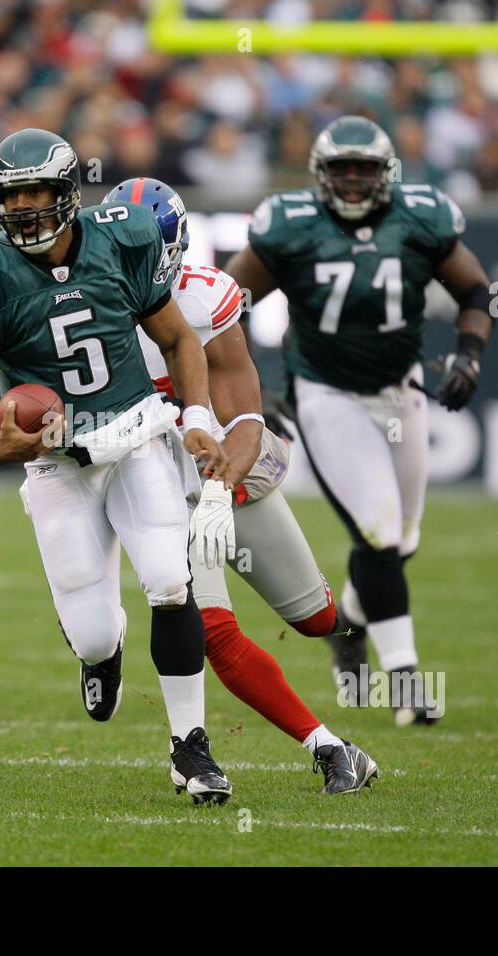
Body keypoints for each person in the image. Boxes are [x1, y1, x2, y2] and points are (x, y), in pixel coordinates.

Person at [0, 129, 233, 803]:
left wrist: (197, 419)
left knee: (168, 579)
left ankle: (191, 747)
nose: (25, 209)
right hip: (57, 463)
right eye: (12, 197)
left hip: (134, 435)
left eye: (38, 192)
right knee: (93, 633)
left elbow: (178, 338)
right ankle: (106, 653)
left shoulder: (124, 235)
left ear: (69, 192)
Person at [107, 176, 378, 793]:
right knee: (213, 632)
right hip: (154, 484)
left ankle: (351, 626)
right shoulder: (84, 303)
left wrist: (218, 493)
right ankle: (333, 749)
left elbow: (246, 419)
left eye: (138, 246)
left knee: (314, 618)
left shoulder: (205, 299)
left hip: (223, 470)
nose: (125, 259)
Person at [225, 115, 495, 727]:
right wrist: (249, 392)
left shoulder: (422, 217)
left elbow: (477, 291)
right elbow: (227, 304)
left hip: (401, 391)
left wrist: (472, 358)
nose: (351, 181)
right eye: (340, 169)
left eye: (364, 169)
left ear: (387, 174)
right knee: (377, 534)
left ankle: (347, 623)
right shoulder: (290, 227)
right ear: (321, 174)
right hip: (325, 395)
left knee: (401, 542)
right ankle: (405, 681)